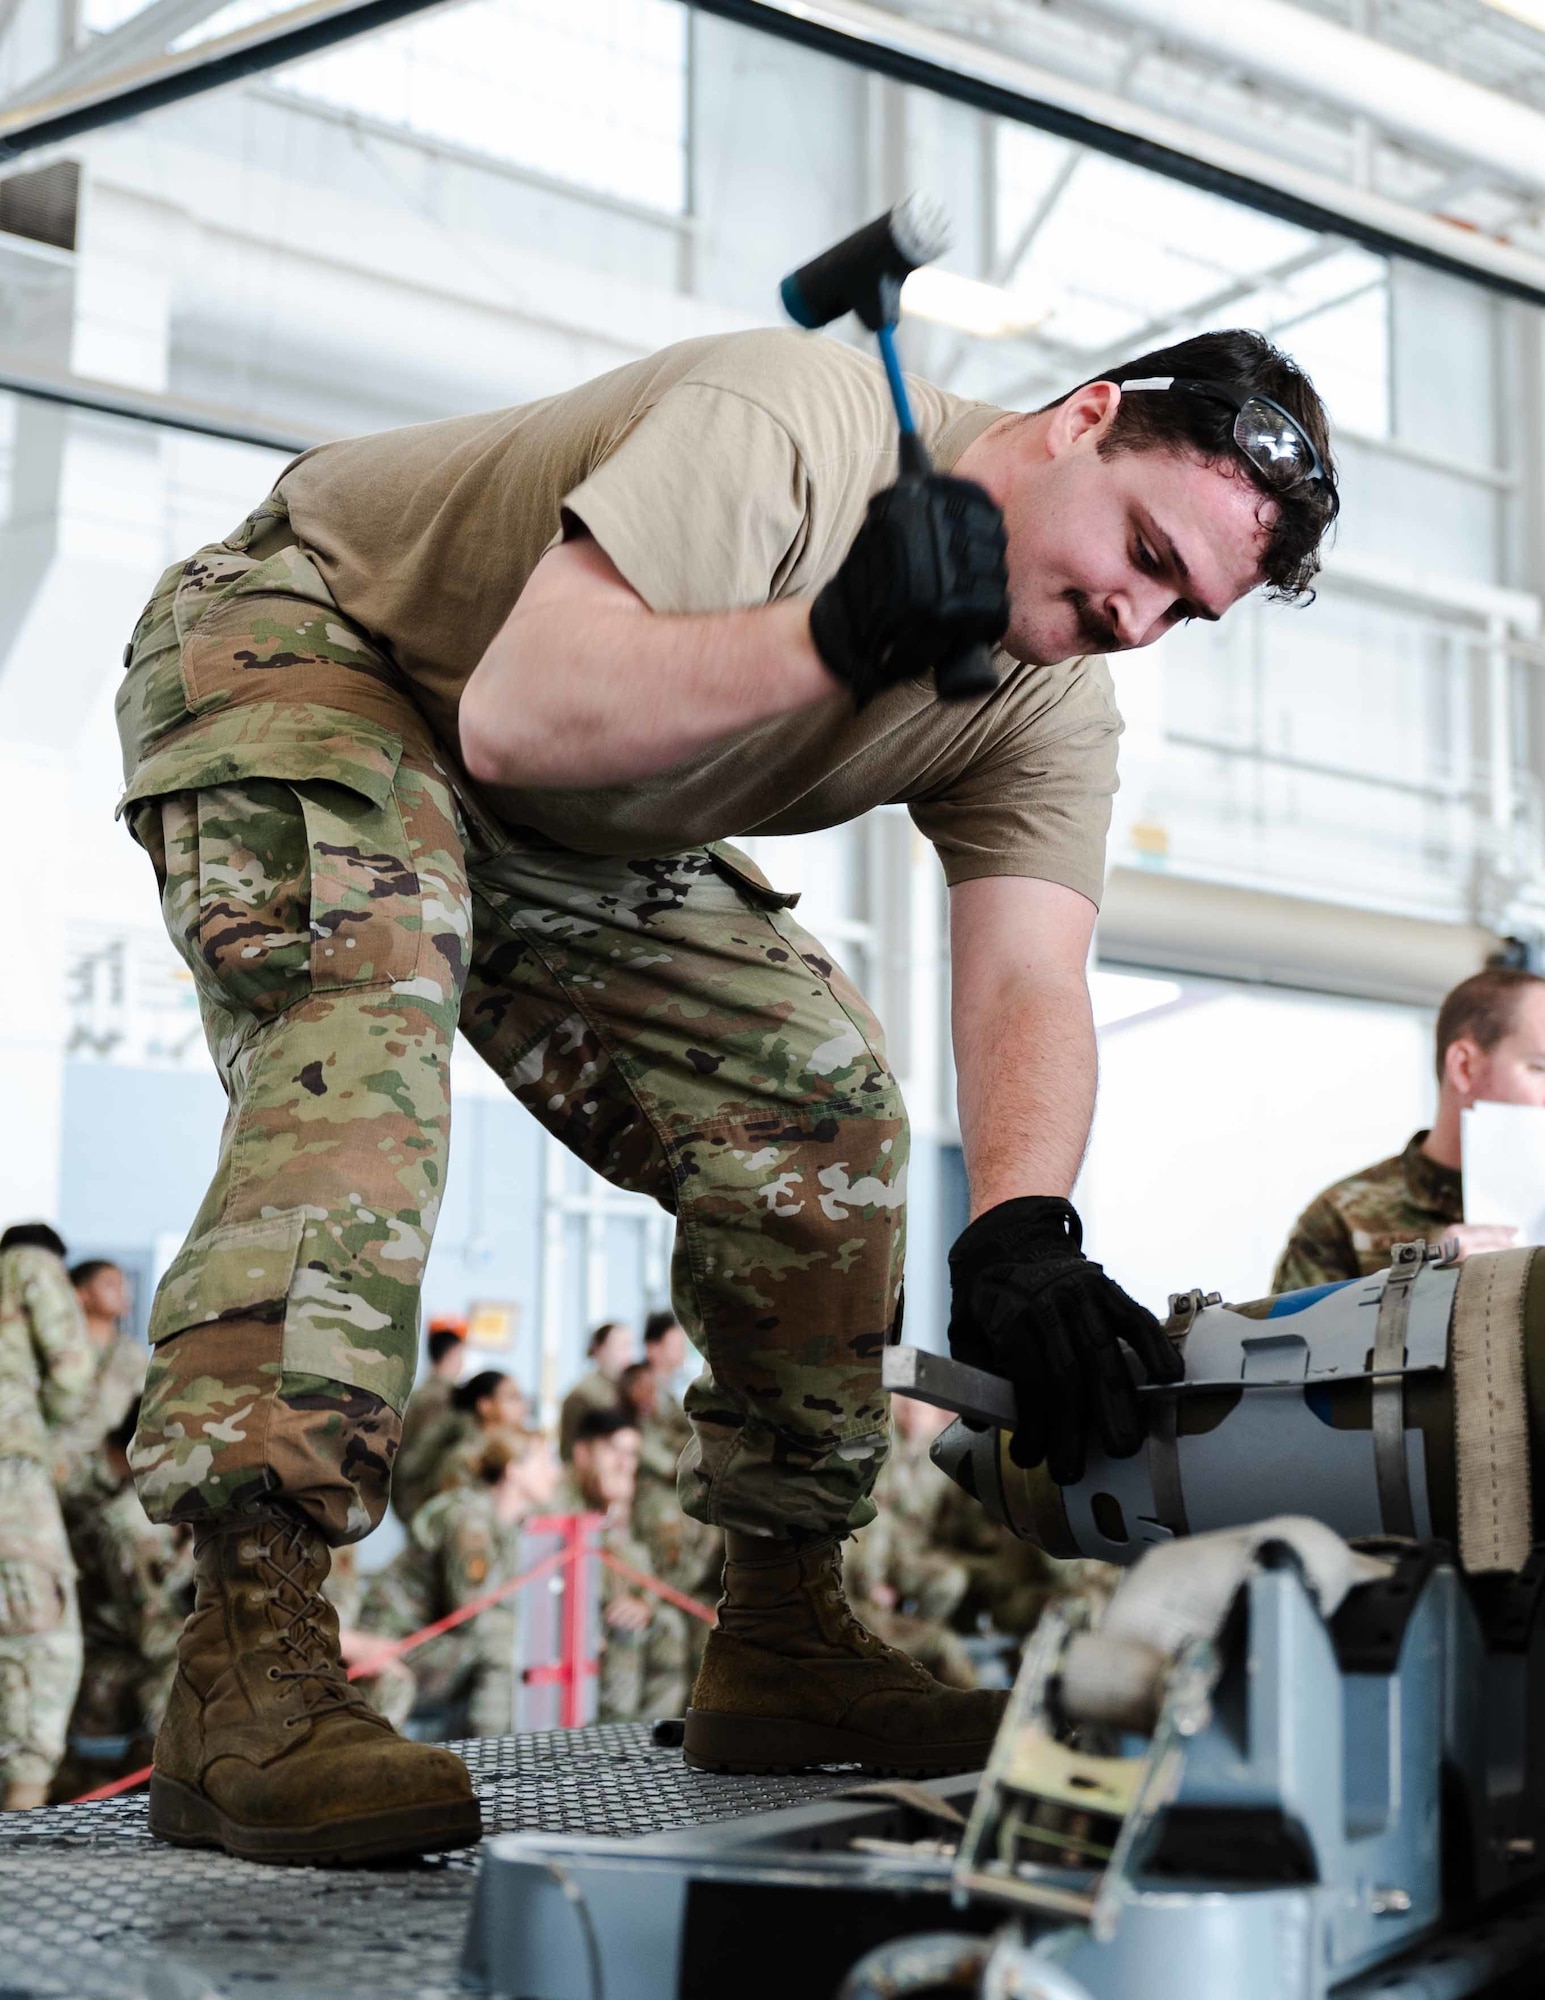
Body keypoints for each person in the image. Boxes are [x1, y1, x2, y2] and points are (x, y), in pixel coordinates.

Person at [115, 316, 1335, 1852]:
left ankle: (781, 1628)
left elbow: (1030, 974)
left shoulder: (1050, 695)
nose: (1132, 613)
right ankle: (249, 1657)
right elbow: (517, 710)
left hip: (570, 817)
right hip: (327, 646)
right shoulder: (796, 423)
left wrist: (1022, 1223)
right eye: (1144, 549)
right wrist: (844, 630)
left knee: (818, 1109)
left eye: (1183, 608)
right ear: (1082, 419)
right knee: (365, 1020)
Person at [1273, 966, 1545, 1290]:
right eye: (1540, 1068)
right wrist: (1423, 1293)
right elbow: (1295, 1340)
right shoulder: (1343, 1219)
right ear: (1464, 1067)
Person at [361, 1428, 561, 1738]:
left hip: (432, 1643)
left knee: (522, 1639)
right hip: (395, 1642)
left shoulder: (510, 1524)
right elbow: (472, 1613)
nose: (555, 1473)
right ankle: (491, 1761)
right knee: (503, 1644)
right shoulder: (470, 1519)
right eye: (545, 1461)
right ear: (514, 1471)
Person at [0, 1223, 95, 1809]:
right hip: (9, 1464)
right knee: (44, 1637)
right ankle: (21, 1818)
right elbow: (71, 1369)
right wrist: (43, 1427)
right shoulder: (27, 1260)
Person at [56, 1399, 194, 1794]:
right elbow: (155, 1638)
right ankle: (172, 1786)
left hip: (118, 1652)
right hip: (107, 1668)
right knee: (198, 1658)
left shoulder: (143, 1501)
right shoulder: (130, 1518)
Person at [559, 1408, 691, 1724]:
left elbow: (641, 1576)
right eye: (612, 1450)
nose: (623, 1464)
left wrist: (643, 1603)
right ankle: (608, 1743)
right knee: (623, 1628)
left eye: (631, 1454)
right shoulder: (558, 1499)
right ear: (582, 1453)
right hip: (566, 1620)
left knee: (666, 1623)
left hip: (603, 1618)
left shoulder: (620, 1505)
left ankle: (647, 1740)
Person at [51, 1260, 147, 1494]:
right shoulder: (58, 1348)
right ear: (81, 1293)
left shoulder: (132, 1353)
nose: (121, 1291)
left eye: (122, 1284)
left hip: (110, 1475)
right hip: (58, 1469)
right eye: (109, 1284)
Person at [390, 1318, 467, 1525]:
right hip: (428, 1496)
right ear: (453, 1354)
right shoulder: (448, 1399)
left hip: (404, 1493)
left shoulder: (416, 1395)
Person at [558, 1321, 633, 1463]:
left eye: (629, 1346)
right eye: (621, 1347)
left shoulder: (629, 1389)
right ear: (600, 1350)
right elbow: (568, 1449)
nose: (628, 1355)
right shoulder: (582, 1393)